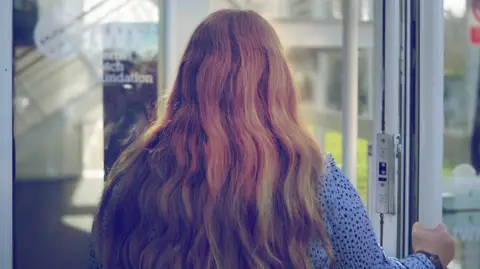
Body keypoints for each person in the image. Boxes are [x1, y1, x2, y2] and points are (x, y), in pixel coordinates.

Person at [90, 9, 455, 269]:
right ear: (276, 83)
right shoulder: (313, 180)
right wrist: (430, 258)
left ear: (189, 77)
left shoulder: (132, 177)